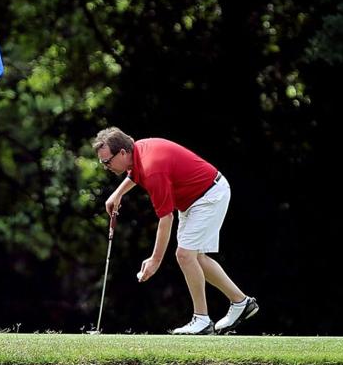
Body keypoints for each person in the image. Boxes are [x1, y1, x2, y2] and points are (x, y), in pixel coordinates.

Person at [93, 127, 258, 335]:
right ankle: (241, 302)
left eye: (107, 162)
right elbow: (135, 174)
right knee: (196, 257)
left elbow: (166, 218)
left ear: (123, 153)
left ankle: (202, 320)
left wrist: (155, 260)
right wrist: (117, 194)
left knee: (185, 254)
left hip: (208, 196)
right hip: (197, 197)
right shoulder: (138, 152)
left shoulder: (153, 168)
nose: (106, 167)